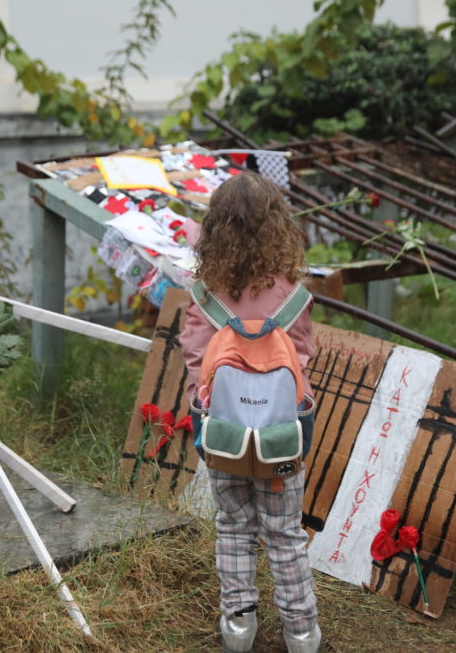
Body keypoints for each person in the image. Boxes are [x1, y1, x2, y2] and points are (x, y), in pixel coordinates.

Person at [180, 172, 321, 653]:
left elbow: (196, 360)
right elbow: (302, 356)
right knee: (284, 532)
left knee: (234, 527)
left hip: (224, 432)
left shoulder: (204, 293)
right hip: (282, 432)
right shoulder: (294, 294)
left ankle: (238, 626)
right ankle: (301, 631)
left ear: (215, 229)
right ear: (277, 226)